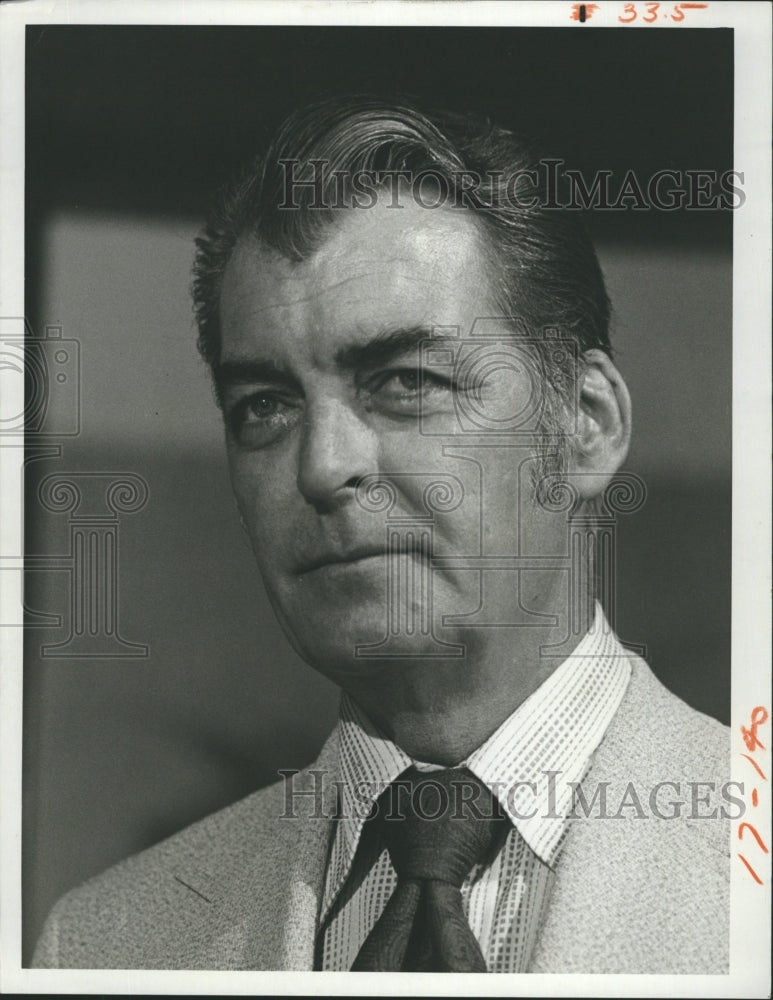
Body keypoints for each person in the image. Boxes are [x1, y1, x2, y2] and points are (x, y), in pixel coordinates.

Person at [32, 96, 730, 974]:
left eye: (405, 381)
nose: (322, 465)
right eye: (264, 406)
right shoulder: (102, 946)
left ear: (584, 421)